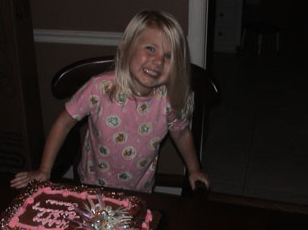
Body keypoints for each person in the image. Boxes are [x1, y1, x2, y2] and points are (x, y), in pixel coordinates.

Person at [11, 10, 210, 192]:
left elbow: (182, 134)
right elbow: (64, 123)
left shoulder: (168, 99)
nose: (158, 61)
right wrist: (45, 170)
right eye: (150, 48)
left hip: (140, 191)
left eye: (168, 56)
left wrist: (194, 169)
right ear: (127, 48)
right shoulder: (98, 88)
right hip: (92, 187)